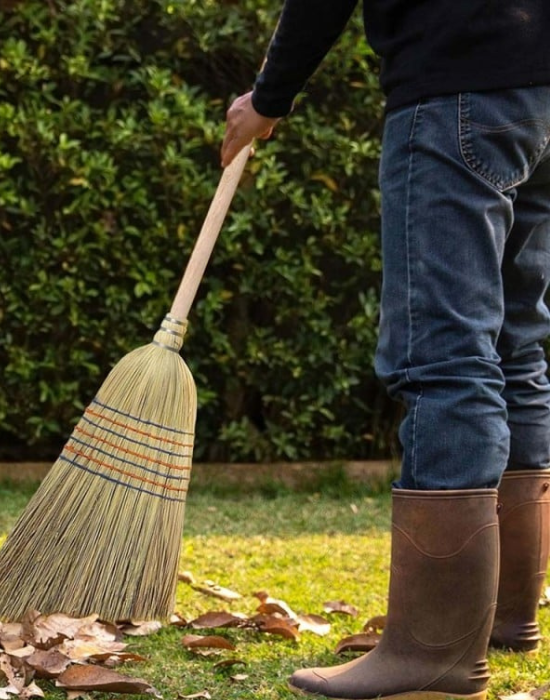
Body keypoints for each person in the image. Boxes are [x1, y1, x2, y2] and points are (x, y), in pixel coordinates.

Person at [221, 2, 550, 699]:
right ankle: (502, 616)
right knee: (516, 347)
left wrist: (269, 97)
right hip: (540, 93)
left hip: (458, 81)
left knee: (446, 355)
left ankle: (434, 651)